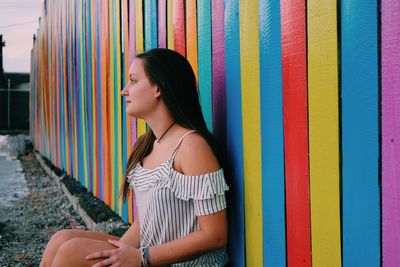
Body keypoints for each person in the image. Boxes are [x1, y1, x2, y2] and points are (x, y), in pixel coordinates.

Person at [39, 48, 229, 267]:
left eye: (133, 81)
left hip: (181, 263)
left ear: (158, 87)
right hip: (149, 256)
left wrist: (140, 258)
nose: (124, 91)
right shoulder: (147, 144)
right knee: (62, 239)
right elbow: (150, 219)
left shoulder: (191, 146)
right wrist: (120, 253)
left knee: (71, 251)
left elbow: (215, 235)